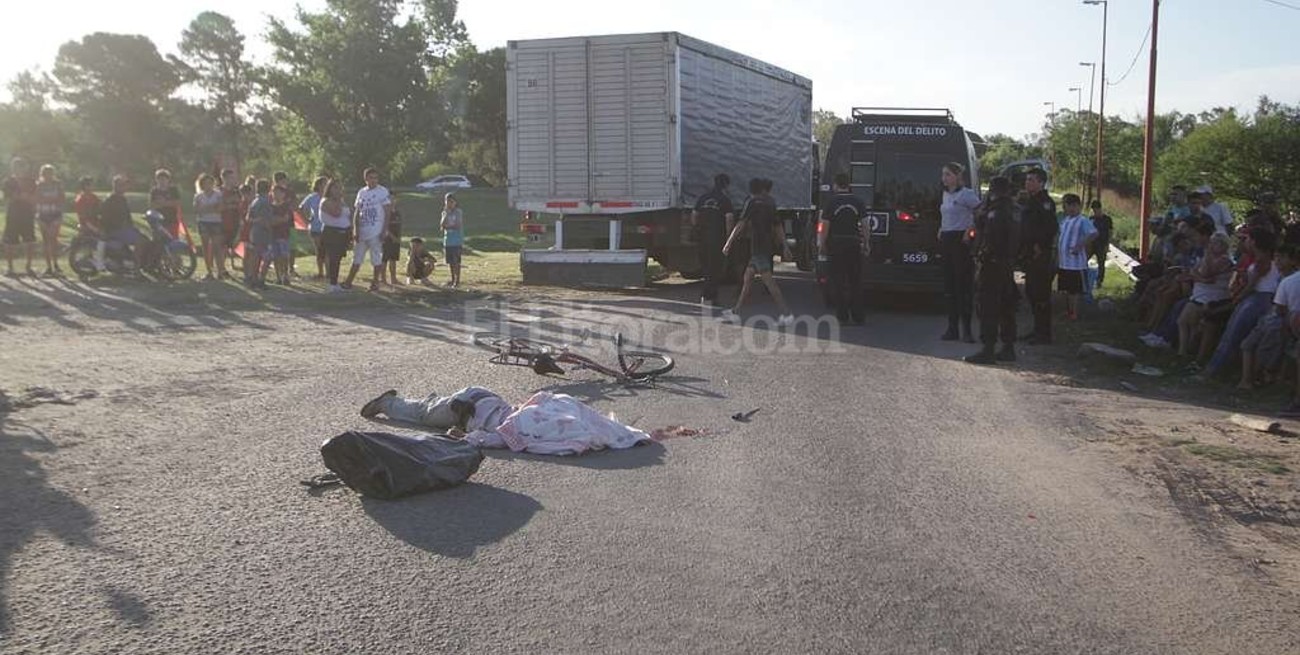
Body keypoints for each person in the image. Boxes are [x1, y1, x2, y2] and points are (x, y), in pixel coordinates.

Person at [1199, 229, 1279, 381]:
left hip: (1257, 299)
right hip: (1258, 298)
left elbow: (1252, 285)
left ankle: (1214, 370)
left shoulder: (1263, 260)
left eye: (1248, 239)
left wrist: (1238, 299)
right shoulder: (1262, 259)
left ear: (1254, 242)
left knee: (1232, 334)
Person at [720, 178, 793, 327]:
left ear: (751, 190)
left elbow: (741, 224)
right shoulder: (771, 203)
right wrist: (785, 246)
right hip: (765, 246)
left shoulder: (751, 203)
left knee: (770, 283)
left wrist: (729, 242)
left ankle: (787, 314)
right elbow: (778, 226)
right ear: (762, 189)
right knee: (747, 279)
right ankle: (736, 311)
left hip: (758, 247)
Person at [965, 176, 1019, 365]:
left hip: (991, 265)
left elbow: (988, 236)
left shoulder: (994, 212)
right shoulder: (1013, 209)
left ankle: (988, 349)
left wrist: (982, 256)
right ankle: (1008, 347)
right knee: (1006, 306)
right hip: (1006, 265)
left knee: (988, 307)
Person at [1238, 243, 1299, 391]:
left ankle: (1264, 378)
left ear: (1293, 261)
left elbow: (1280, 308)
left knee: (1266, 350)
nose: (1278, 261)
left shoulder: (1290, 280)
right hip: (1273, 317)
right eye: (1276, 258)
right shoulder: (1279, 278)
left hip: (1283, 319)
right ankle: (1247, 380)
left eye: (1282, 258)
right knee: (1247, 345)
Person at [937, 162, 980, 340]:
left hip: (960, 241)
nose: (944, 178)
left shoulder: (966, 194)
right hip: (946, 238)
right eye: (943, 175)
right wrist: (941, 227)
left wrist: (970, 230)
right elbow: (946, 215)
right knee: (950, 286)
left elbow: (980, 212)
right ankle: (952, 328)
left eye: (947, 174)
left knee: (963, 286)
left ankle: (967, 330)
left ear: (956, 176)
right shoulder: (946, 194)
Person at [818, 172, 869, 325]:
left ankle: (842, 316)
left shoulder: (831, 203)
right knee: (855, 281)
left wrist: (822, 244)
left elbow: (825, 226)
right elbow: (865, 225)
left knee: (838, 281)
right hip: (853, 243)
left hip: (836, 244)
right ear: (849, 185)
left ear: (835, 185)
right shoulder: (858, 201)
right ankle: (858, 316)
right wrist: (866, 243)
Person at [1175, 234, 1234, 357]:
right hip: (1199, 293)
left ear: (1223, 246)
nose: (1211, 246)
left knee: (1187, 321)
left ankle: (1187, 352)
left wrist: (1207, 257)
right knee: (1183, 321)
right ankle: (1183, 351)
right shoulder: (1206, 259)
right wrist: (1201, 278)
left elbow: (1207, 273)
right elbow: (1194, 271)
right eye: (1211, 243)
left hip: (1212, 297)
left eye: (1215, 243)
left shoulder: (1225, 260)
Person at [1018, 168, 1057, 344]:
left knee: (1041, 294)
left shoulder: (1045, 202)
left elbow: (1050, 228)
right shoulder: (1030, 201)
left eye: (1032, 180)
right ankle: (1037, 329)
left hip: (1040, 253)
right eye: (1027, 180)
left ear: (1041, 182)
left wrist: (1039, 245)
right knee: (1032, 292)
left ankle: (1044, 334)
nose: (1028, 183)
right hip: (1028, 252)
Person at [342, 167, 391, 291]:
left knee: (376, 258)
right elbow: (357, 212)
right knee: (357, 257)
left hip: (376, 230)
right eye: (371, 178)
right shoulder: (361, 192)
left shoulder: (382, 191)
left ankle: (375, 283)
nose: (374, 180)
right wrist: (355, 229)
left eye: (376, 178)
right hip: (363, 230)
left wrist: (384, 230)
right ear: (366, 179)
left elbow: (387, 211)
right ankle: (348, 281)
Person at [691, 173, 735, 306]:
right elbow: (729, 219)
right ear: (726, 185)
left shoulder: (703, 198)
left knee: (705, 267)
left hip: (702, 238)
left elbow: (694, 215)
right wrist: (729, 238)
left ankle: (707, 296)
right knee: (715, 269)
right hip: (717, 238)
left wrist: (697, 227)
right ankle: (709, 296)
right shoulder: (725, 200)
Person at [1056, 194, 1097, 321]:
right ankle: (1068, 311)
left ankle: (1074, 313)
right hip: (1064, 262)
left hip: (1075, 263)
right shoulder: (1066, 220)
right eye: (1068, 206)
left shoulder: (1082, 220)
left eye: (1074, 206)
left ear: (1078, 206)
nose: (1071, 209)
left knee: (1074, 290)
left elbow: (1094, 233)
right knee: (1066, 289)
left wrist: (1079, 246)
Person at [96, 175, 142, 271]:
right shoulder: (110, 200)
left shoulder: (122, 199)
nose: (124, 187)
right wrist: (103, 230)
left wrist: (133, 226)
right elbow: (103, 217)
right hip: (114, 230)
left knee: (143, 237)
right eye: (121, 185)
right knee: (140, 242)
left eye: (124, 185)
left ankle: (132, 261)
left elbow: (127, 215)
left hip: (123, 229)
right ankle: (137, 267)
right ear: (115, 186)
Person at [3, 157, 37, 276]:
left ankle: (29, 266)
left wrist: (23, 196)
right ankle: (10, 267)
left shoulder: (31, 181)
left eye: (21, 166)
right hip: (13, 214)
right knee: (10, 241)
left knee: (30, 240)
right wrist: (24, 196)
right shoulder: (8, 181)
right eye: (16, 167)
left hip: (27, 214)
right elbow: (10, 197)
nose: (19, 169)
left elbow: (34, 198)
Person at [318, 178, 351, 293]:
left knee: (338, 259)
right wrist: (338, 200)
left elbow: (347, 215)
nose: (338, 190)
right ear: (330, 188)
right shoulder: (326, 201)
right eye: (335, 187)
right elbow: (336, 213)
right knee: (333, 258)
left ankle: (335, 282)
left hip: (343, 233)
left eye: (340, 187)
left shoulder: (341, 201)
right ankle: (332, 284)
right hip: (332, 232)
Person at [33, 164, 65, 276]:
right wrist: (51, 199)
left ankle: (56, 264)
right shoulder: (39, 185)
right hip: (43, 215)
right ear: (42, 174)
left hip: (55, 214)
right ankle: (48, 266)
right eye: (46, 173)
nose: (48, 176)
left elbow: (61, 198)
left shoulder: (58, 184)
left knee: (54, 240)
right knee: (46, 240)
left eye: (50, 173)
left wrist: (48, 199)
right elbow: (37, 199)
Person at [194, 173, 225, 280]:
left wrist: (206, 208)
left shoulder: (218, 194)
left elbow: (220, 208)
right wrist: (212, 207)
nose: (208, 185)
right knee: (205, 247)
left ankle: (221, 271)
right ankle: (209, 271)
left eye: (210, 183)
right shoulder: (198, 196)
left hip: (216, 222)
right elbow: (198, 211)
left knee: (217, 247)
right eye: (206, 183)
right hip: (203, 222)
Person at [244, 179, 274, 290]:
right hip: (263, 232)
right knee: (266, 257)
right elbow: (265, 220)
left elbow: (248, 218)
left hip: (254, 231)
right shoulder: (265, 202)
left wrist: (255, 221)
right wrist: (270, 230)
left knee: (255, 256)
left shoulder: (254, 201)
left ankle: (252, 278)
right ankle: (260, 280)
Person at [299, 176, 327, 279]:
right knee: (319, 250)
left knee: (327, 250)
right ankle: (321, 272)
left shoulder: (329, 197)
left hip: (328, 227)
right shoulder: (312, 197)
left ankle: (329, 272)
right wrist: (306, 220)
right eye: (324, 183)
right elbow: (301, 208)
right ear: (319, 186)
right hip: (315, 227)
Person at [149, 169, 182, 239]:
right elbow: (152, 205)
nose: (162, 181)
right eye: (160, 179)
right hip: (159, 221)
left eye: (164, 179)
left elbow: (177, 203)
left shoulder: (173, 190)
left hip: (172, 219)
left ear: (168, 180)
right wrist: (169, 203)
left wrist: (162, 203)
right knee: (159, 240)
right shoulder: (154, 191)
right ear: (156, 180)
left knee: (173, 238)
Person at [440, 192, 463, 288]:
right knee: (450, 262)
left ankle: (457, 281)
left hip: (456, 240)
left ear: (455, 202)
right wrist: (446, 215)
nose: (449, 203)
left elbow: (457, 225)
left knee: (456, 261)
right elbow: (441, 226)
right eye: (447, 201)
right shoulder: (444, 212)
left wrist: (448, 226)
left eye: (451, 201)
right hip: (448, 240)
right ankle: (453, 279)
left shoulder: (458, 212)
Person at [1089, 200, 1113, 287]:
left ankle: (1099, 281)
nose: (1095, 212)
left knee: (1101, 263)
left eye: (1096, 210)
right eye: (1094, 210)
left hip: (1102, 244)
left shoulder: (1107, 219)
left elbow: (1110, 232)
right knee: (1084, 259)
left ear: (1100, 209)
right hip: (1091, 244)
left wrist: (1108, 244)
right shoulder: (1091, 219)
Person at [382, 199, 403, 286]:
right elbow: (384, 227)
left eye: (394, 199)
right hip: (387, 239)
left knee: (393, 259)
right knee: (384, 259)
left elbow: (399, 226)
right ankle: (383, 279)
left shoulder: (397, 212)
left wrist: (398, 237)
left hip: (396, 240)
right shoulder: (385, 212)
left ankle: (393, 279)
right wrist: (392, 237)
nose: (392, 201)